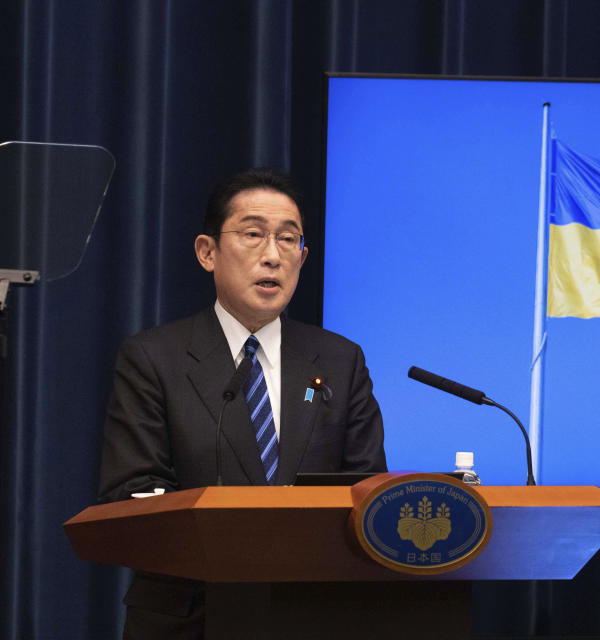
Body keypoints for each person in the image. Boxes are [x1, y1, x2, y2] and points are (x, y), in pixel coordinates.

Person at [98, 168, 386, 638]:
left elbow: (366, 487)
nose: (272, 256)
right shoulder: (154, 358)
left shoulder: (339, 360)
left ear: (303, 255)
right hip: (193, 616)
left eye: (288, 240)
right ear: (207, 252)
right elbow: (132, 490)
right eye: (253, 235)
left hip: (315, 614)